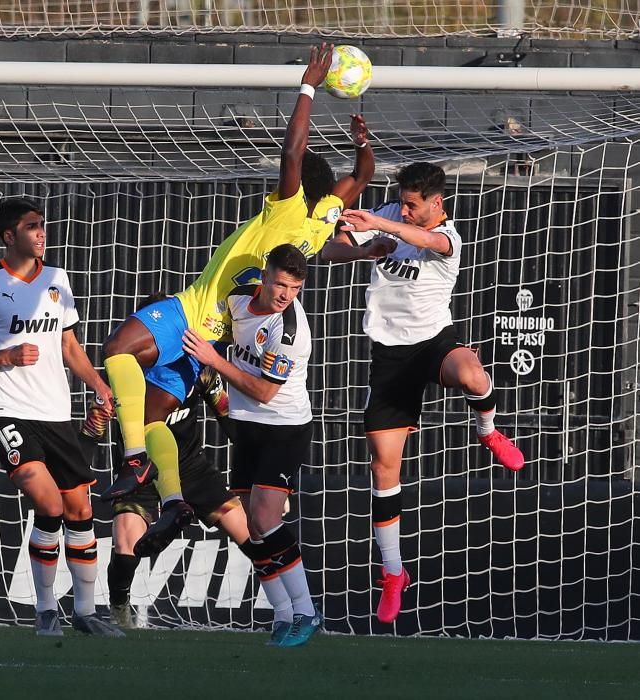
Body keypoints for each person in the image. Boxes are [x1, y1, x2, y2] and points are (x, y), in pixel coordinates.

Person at [99, 43, 376, 560]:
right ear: (330, 194)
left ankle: (135, 461)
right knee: (153, 415)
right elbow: (362, 176)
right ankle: (174, 500)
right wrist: (364, 144)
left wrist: (308, 85)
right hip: (216, 336)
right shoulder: (321, 223)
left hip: (192, 312)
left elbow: (292, 152)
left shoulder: (290, 209)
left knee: (116, 350)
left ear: (299, 187)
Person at [321, 161, 525, 625]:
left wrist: (382, 224)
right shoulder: (390, 211)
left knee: (473, 375)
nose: (406, 210)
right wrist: (365, 249)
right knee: (383, 467)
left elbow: (430, 242)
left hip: (433, 341)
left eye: (414, 205)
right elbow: (333, 251)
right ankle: (393, 572)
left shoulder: (448, 235)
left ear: (437, 203)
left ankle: (488, 431)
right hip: (389, 357)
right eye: (403, 203)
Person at [0, 197, 124, 638]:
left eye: (42, 225)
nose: (42, 233)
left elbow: (68, 346)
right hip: (6, 410)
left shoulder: (56, 279)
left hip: (55, 412)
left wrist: (98, 385)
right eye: (32, 226)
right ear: (9, 236)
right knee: (47, 502)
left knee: (80, 506)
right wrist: (3, 355)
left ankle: (85, 612)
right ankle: (46, 610)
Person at [76, 294, 249, 628]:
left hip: (190, 469)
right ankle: (119, 607)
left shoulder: (198, 373)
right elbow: (90, 436)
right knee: (126, 544)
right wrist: (82, 457)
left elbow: (227, 417)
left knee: (251, 533)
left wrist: (257, 466)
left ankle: (292, 608)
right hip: (141, 473)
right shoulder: (123, 377)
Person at [183, 244, 321, 647]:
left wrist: (214, 359)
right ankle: (281, 614)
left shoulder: (289, 330)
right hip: (246, 426)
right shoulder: (238, 296)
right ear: (265, 275)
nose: (285, 295)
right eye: (280, 284)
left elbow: (263, 391)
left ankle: (307, 612)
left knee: (263, 519)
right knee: (250, 526)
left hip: (284, 426)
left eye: (294, 288)